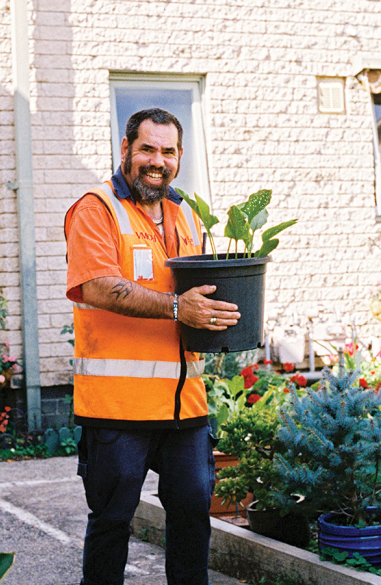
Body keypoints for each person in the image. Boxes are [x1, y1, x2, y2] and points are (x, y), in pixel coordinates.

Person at [64, 107, 241, 585]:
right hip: (117, 409)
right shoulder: (96, 208)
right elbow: (98, 284)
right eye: (146, 149)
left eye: (167, 151)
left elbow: (205, 287)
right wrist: (177, 308)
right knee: (111, 524)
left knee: (191, 522)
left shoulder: (185, 213)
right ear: (126, 150)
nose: (156, 161)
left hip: (186, 409)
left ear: (180, 156)